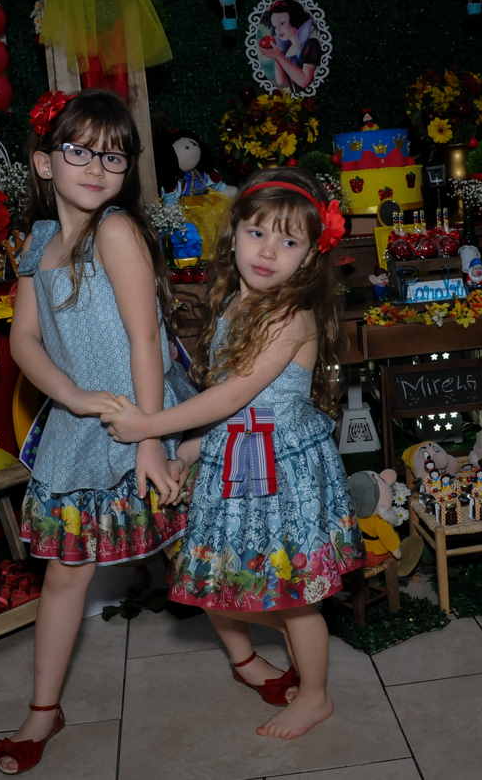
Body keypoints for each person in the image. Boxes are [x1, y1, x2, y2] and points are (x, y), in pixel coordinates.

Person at [101, 168, 362, 740]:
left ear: (309, 257)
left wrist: (149, 425)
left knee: (296, 601)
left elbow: (234, 395)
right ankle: (280, 654)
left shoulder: (289, 315)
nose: (269, 252)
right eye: (258, 233)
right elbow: (232, 416)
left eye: (289, 242)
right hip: (244, 463)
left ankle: (314, 695)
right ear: (234, 234)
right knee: (223, 581)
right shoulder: (237, 306)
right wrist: (186, 454)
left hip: (285, 474)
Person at [0, 88, 194, 775]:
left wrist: (145, 435)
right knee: (65, 573)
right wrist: (73, 396)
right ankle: (44, 709)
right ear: (45, 163)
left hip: (142, 413)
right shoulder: (40, 242)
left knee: (186, 545)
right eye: (78, 149)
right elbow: (24, 341)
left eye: (114, 154)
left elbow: (146, 338)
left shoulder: (116, 230)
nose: (96, 165)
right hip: (82, 424)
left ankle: (246, 653)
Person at [257, 0, 322, 94]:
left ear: (294, 20)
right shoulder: (287, 49)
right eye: (275, 26)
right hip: (294, 100)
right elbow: (281, 80)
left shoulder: (310, 44)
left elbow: (304, 82)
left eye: (282, 23)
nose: (278, 29)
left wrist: (279, 56)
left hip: (312, 96)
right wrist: (276, 56)